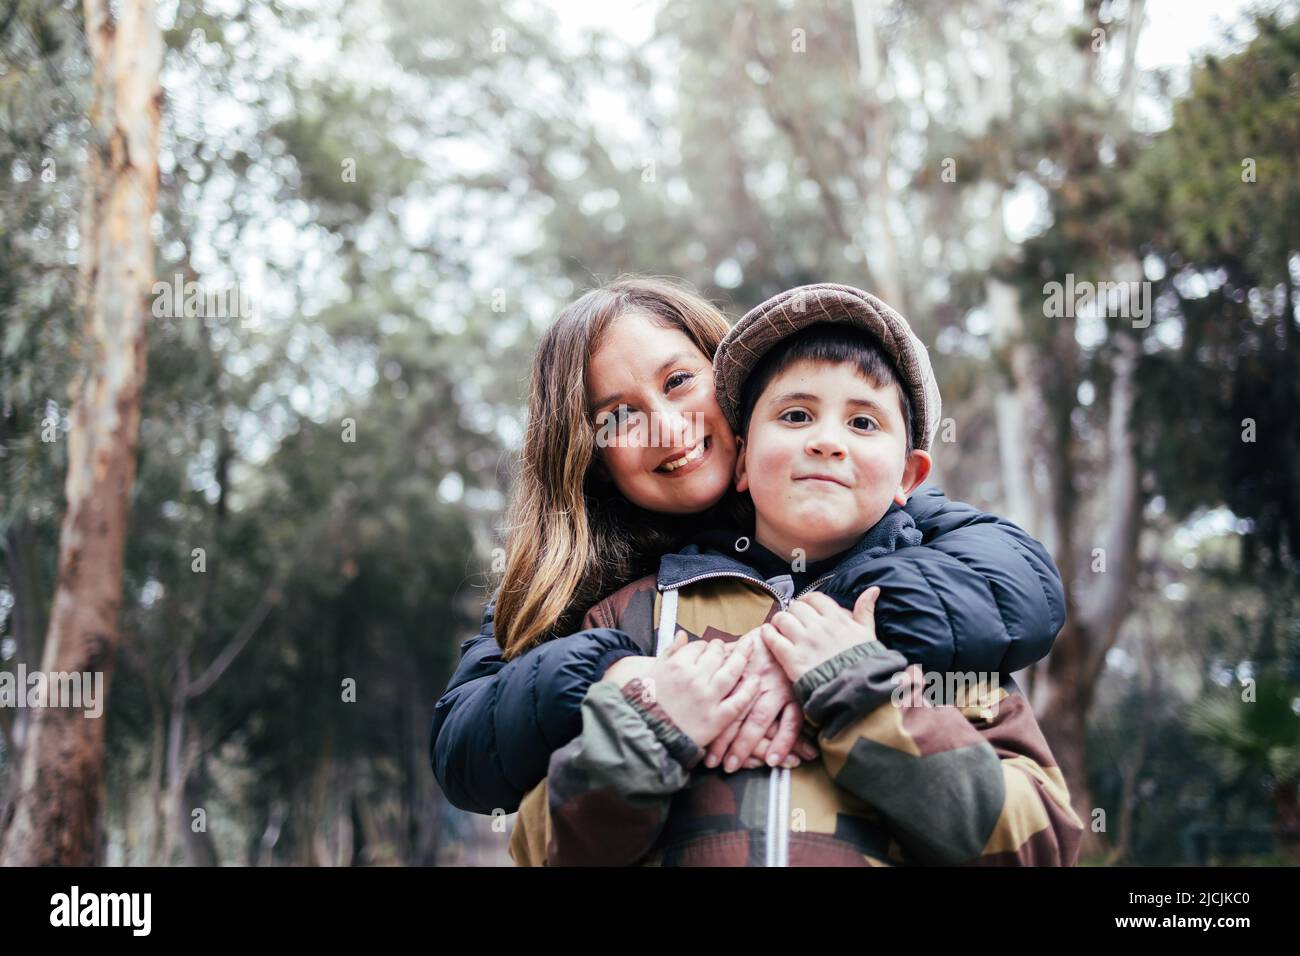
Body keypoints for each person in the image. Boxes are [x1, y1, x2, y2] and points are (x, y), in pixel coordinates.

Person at [430, 277, 1066, 816]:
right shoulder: (577, 582)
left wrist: (800, 637)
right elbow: (464, 746)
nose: (669, 426)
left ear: (733, 378)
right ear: (587, 457)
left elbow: (1021, 585)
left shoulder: (853, 502)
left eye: (679, 381)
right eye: (620, 416)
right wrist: (612, 672)